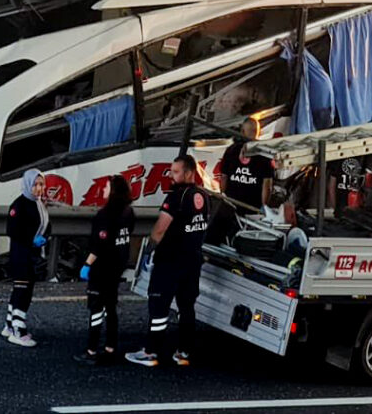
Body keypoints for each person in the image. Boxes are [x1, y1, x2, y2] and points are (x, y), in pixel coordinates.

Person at [126, 154, 210, 368]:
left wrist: (149, 251)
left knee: (158, 305)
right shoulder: (204, 197)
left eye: (176, 171)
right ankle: (184, 352)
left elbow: (160, 229)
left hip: (171, 260)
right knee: (187, 306)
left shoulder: (175, 197)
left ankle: (151, 352)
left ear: (189, 173)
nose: (171, 176)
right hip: (193, 260)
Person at [74, 176, 135, 365]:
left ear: (114, 191)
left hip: (102, 268)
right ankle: (110, 347)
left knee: (95, 309)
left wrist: (87, 265)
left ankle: (91, 350)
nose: (104, 190)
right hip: (117, 267)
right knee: (111, 308)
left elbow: (99, 244)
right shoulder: (128, 212)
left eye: (107, 187)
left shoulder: (105, 215)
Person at [2, 169, 50, 347]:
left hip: (31, 255)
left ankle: (9, 324)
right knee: (23, 291)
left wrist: (45, 238)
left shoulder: (39, 204)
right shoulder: (19, 205)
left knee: (22, 289)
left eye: (41, 184)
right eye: (35, 184)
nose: (38, 188)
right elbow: (12, 230)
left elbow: (47, 225)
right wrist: (31, 239)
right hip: (21, 255)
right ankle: (18, 329)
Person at [219, 117, 273, 210]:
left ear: (242, 131)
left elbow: (224, 177)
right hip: (252, 207)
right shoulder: (265, 153)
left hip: (232, 205)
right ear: (258, 132)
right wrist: (264, 208)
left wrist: (223, 198)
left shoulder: (231, 150)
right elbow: (267, 185)